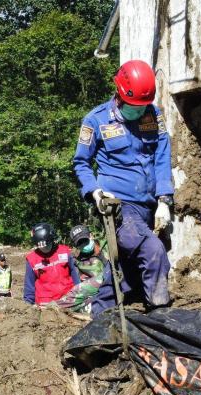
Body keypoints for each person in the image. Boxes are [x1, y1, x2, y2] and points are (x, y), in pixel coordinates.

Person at [72, 59, 173, 311]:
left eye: (143, 106)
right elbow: (81, 163)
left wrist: (164, 200)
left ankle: (99, 312)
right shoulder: (95, 121)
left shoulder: (153, 115)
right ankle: (159, 314)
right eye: (134, 106)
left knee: (125, 266)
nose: (139, 111)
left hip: (148, 205)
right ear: (119, 94)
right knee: (153, 252)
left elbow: (162, 157)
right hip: (119, 207)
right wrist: (94, 191)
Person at [55, 224, 110, 313]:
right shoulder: (78, 261)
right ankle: (56, 309)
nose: (84, 245)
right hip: (98, 293)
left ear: (91, 236)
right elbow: (81, 285)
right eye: (80, 243)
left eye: (85, 240)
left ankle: (56, 307)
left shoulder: (108, 246)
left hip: (112, 280)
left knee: (80, 289)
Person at [24, 223, 81, 306]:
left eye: (47, 246)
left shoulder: (65, 251)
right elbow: (29, 285)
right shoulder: (32, 259)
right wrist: (28, 304)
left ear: (52, 240)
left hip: (68, 299)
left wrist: (79, 293)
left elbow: (75, 275)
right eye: (41, 247)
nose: (45, 249)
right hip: (46, 304)